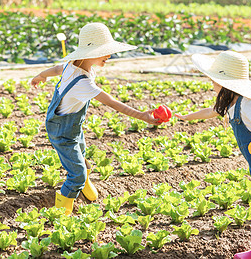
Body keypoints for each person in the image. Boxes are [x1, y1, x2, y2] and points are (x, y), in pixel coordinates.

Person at [31, 22, 160, 215]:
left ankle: (83, 184)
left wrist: (41, 75)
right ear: (89, 53)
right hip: (61, 132)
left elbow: (57, 69)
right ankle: (61, 211)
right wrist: (142, 116)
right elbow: (112, 102)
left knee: (82, 157)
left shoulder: (73, 67)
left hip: (71, 128)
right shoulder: (83, 84)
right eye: (104, 51)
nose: (109, 55)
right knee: (76, 174)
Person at [176, 51, 251, 258]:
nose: (212, 82)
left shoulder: (248, 104)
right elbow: (210, 111)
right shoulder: (231, 103)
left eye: (214, 79)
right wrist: (186, 117)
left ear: (226, 83)